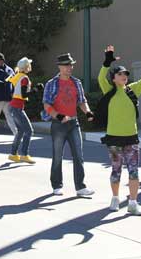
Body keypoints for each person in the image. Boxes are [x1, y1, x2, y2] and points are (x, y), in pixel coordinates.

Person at [97, 45, 141, 216]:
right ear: (114, 78)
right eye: (120, 74)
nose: (124, 76)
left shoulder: (133, 90)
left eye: (125, 74)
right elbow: (102, 77)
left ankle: (133, 202)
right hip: (114, 139)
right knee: (116, 170)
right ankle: (115, 198)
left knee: (134, 171)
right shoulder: (108, 91)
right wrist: (107, 61)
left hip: (132, 138)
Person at [43, 53, 95, 197]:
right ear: (59, 67)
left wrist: (88, 112)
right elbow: (47, 104)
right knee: (57, 156)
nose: (69, 68)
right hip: (58, 124)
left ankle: (80, 187)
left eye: (71, 65)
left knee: (78, 155)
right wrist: (58, 115)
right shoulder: (51, 83)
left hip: (74, 123)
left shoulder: (76, 82)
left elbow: (82, 101)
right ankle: (57, 185)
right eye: (66, 65)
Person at [6, 57, 42, 164]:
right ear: (26, 66)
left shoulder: (17, 76)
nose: (30, 66)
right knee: (29, 131)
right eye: (29, 65)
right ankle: (24, 155)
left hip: (13, 106)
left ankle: (13, 154)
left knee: (21, 131)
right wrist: (36, 89)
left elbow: (15, 91)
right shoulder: (24, 78)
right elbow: (23, 94)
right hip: (17, 107)